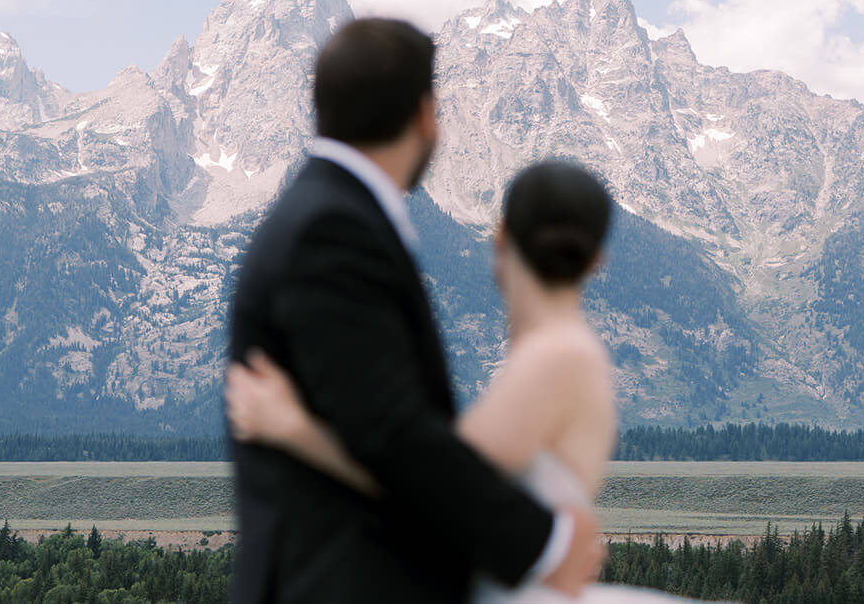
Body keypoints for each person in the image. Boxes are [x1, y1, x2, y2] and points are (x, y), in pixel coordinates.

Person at [226, 18, 605, 603]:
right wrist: (547, 545)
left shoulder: (325, 214)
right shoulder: (332, 227)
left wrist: (296, 428)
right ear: (426, 116)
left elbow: (390, 435)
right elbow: (392, 436)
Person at [229, 157, 705, 603]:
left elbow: (432, 487)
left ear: (500, 237)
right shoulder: (572, 353)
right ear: (596, 260)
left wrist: (294, 428)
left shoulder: (553, 358)